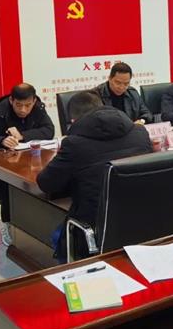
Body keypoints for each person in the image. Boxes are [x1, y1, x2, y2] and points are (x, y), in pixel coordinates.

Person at [36, 91, 152, 262]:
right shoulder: (140, 133)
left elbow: (46, 183)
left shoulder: (74, 144)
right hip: (140, 220)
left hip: (94, 227)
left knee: (56, 236)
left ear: (74, 120)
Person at [0, 83, 55, 246]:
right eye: (19, 105)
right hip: (1, 167)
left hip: (30, 163)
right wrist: (2, 140)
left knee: (48, 177)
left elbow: (49, 131)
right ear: (11, 100)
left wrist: (23, 135)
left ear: (34, 101)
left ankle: (35, 225)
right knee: (10, 182)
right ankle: (6, 221)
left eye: (28, 105)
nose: (23, 110)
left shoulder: (38, 108)